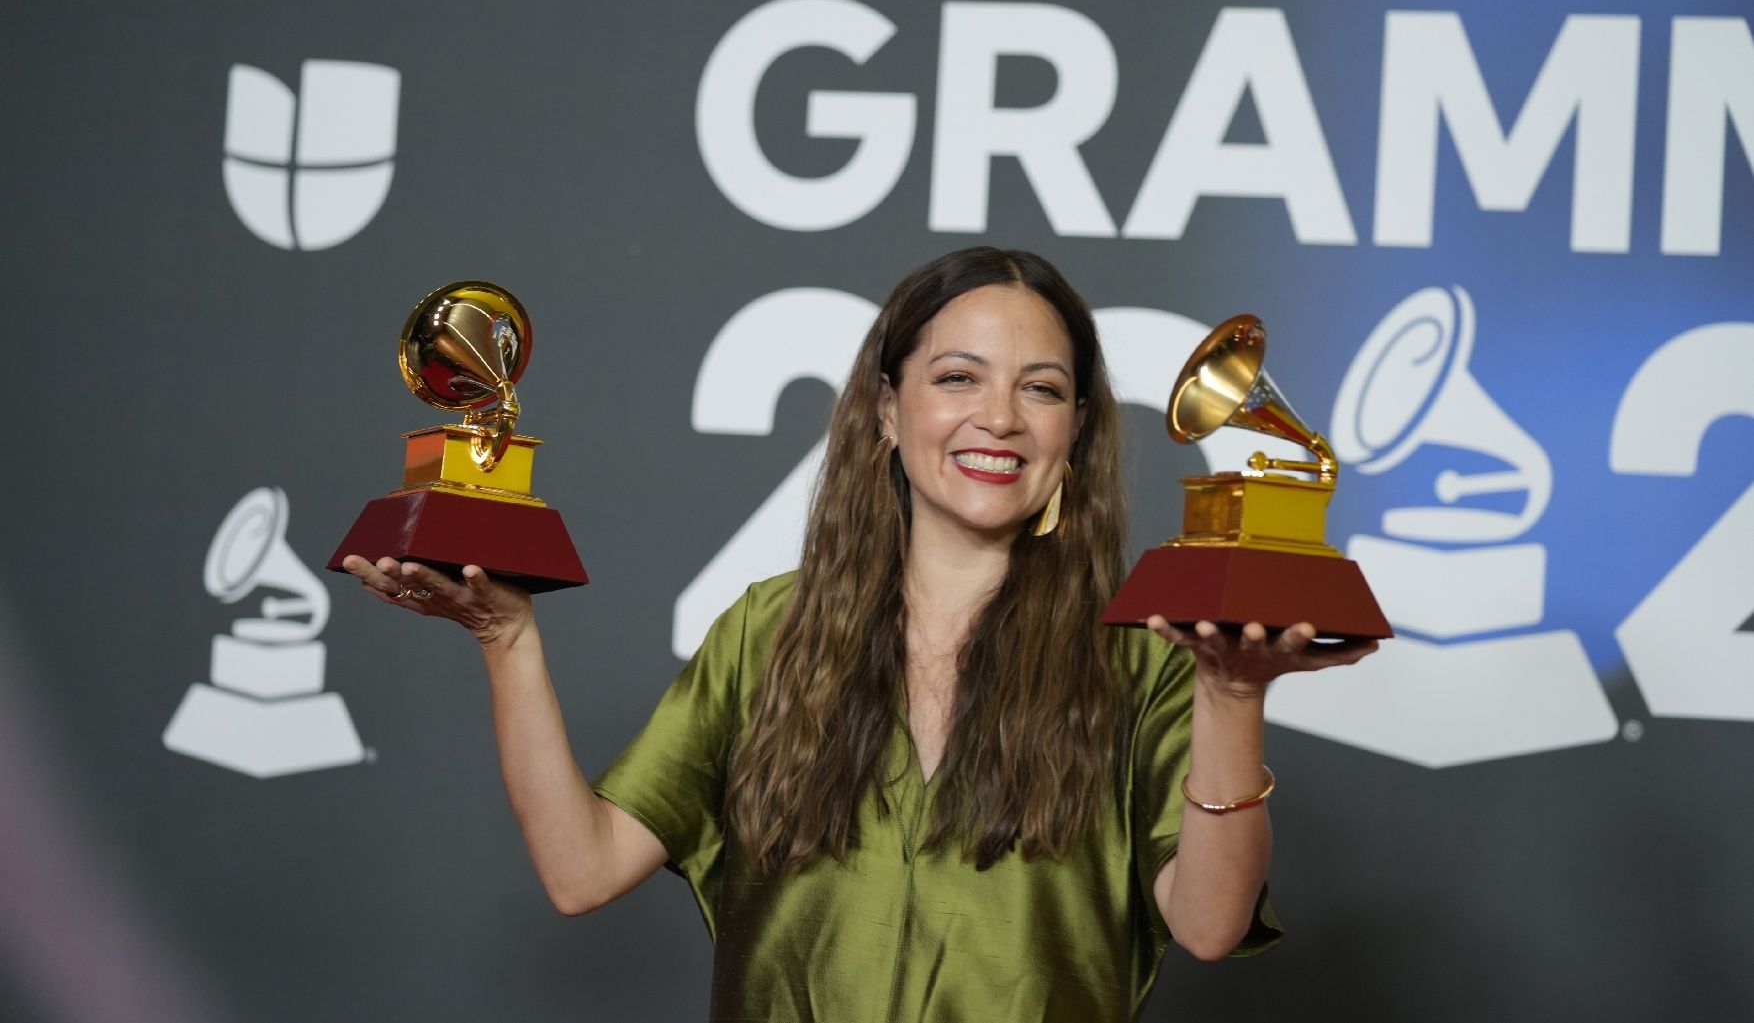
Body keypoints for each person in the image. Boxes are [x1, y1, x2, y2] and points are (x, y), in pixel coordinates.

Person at [341, 247, 1376, 1022]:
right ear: (886, 409)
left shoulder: (1142, 659)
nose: (1000, 418)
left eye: (1042, 388)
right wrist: (507, 639)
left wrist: (1233, 699)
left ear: (1076, 432)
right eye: (957, 376)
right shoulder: (767, 631)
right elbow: (581, 868)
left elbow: (1206, 921)